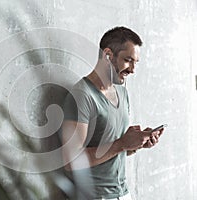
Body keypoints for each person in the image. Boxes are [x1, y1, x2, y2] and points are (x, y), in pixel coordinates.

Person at [61, 26, 165, 200]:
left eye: (135, 62)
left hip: (123, 193)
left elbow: (115, 148)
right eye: (128, 60)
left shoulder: (123, 94)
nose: (132, 69)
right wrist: (122, 144)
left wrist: (136, 144)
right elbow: (71, 161)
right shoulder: (81, 95)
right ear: (108, 55)